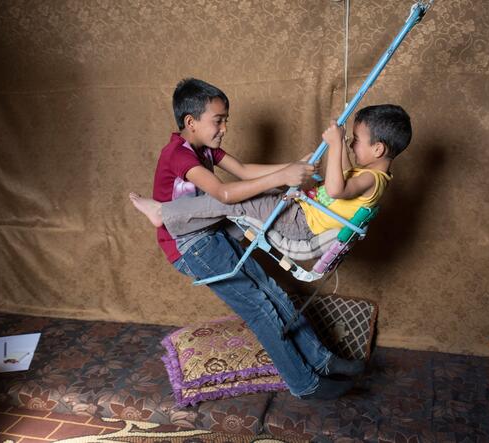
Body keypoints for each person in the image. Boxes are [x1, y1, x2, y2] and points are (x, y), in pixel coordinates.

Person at [135, 78, 364, 400]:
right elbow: (225, 193)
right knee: (260, 310)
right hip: (190, 247)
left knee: (275, 294)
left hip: (211, 234)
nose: (224, 128)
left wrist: (294, 167)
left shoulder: (206, 149)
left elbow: (242, 170)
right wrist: (282, 178)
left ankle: (322, 361)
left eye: (226, 120)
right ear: (191, 122)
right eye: (218, 120)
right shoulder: (179, 155)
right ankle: (305, 384)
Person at [130, 104, 412, 243]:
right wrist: (297, 172)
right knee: (254, 192)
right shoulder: (369, 174)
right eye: (349, 138)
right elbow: (332, 190)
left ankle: (164, 213)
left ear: (377, 149)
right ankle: (197, 225)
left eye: (356, 140)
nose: (351, 143)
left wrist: (336, 144)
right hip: (299, 211)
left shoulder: (372, 179)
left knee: (230, 198)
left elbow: (337, 190)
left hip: (300, 223)